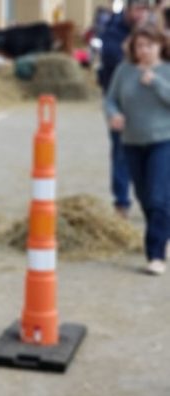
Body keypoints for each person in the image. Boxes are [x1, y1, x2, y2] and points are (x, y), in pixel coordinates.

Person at [104, 23, 170, 275]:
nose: (143, 51)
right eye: (139, 46)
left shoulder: (166, 70)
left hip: (163, 139)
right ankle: (165, 232)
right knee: (144, 196)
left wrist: (155, 83)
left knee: (157, 195)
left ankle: (155, 254)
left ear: (160, 45)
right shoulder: (124, 70)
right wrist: (114, 114)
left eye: (149, 45)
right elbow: (110, 98)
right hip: (132, 140)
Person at [97, 0, 154, 217]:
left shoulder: (152, 32)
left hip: (150, 105)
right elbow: (114, 58)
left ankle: (153, 202)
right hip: (121, 102)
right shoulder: (112, 32)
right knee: (121, 154)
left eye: (145, 9)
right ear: (128, 10)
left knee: (153, 153)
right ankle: (121, 202)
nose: (141, 13)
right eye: (138, 8)